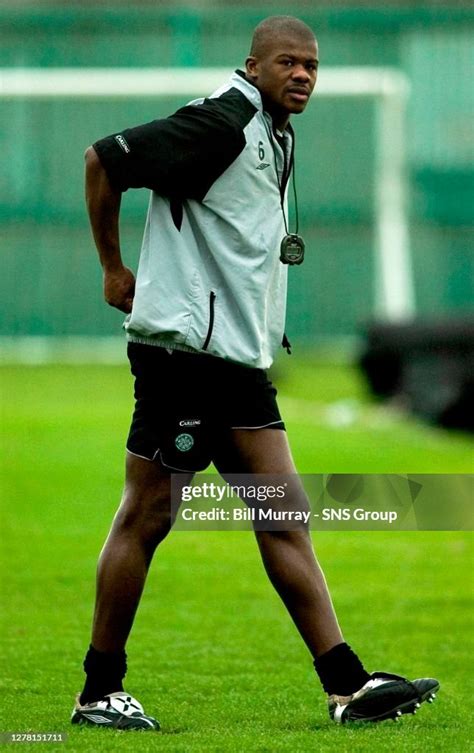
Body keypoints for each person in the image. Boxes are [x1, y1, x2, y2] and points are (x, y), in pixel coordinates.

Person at [72, 15, 439, 731]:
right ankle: (97, 693)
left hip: (237, 367)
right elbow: (102, 160)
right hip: (185, 362)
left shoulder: (273, 129)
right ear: (255, 65)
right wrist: (114, 268)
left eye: (312, 66)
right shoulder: (222, 120)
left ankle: (347, 686)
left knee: (284, 517)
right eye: (289, 64)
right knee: (147, 516)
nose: (302, 75)